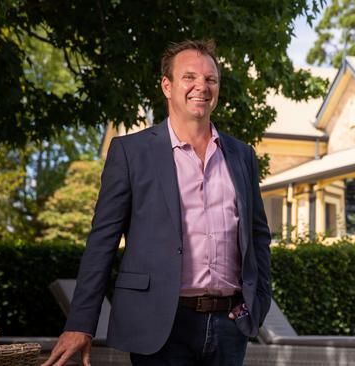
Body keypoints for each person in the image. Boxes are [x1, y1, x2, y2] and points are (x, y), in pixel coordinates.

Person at [43, 39, 272, 366]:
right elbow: (102, 242)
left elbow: (258, 235)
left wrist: (258, 302)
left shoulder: (242, 155)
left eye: (211, 79)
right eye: (189, 77)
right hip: (160, 327)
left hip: (229, 326)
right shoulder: (130, 153)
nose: (201, 87)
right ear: (167, 86)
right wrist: (81, 323)